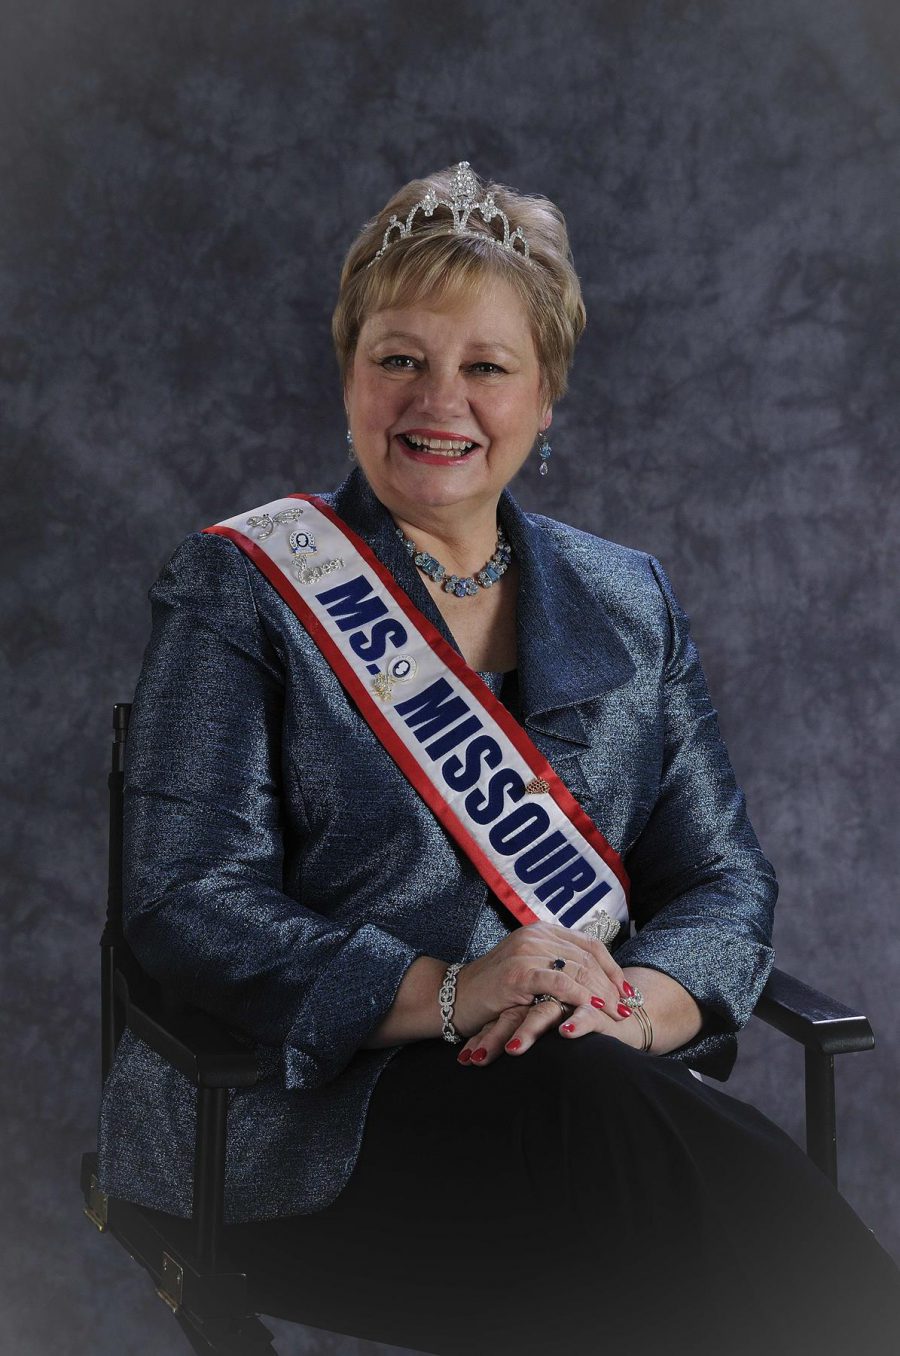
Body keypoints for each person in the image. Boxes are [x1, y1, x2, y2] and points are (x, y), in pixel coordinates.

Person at [97, 162, 900, 1355]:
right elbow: (186, 900)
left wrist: (628, 1010)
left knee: (596, 1119)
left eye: (486, 365)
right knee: (646, 1194)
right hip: (304, 1119)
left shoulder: (627, 598)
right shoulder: (242, 585)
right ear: (350, 372)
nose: (440, 401)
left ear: (545, 397)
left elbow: (721, 881)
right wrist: (452, 990)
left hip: (589, 1093)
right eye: (400, 358)